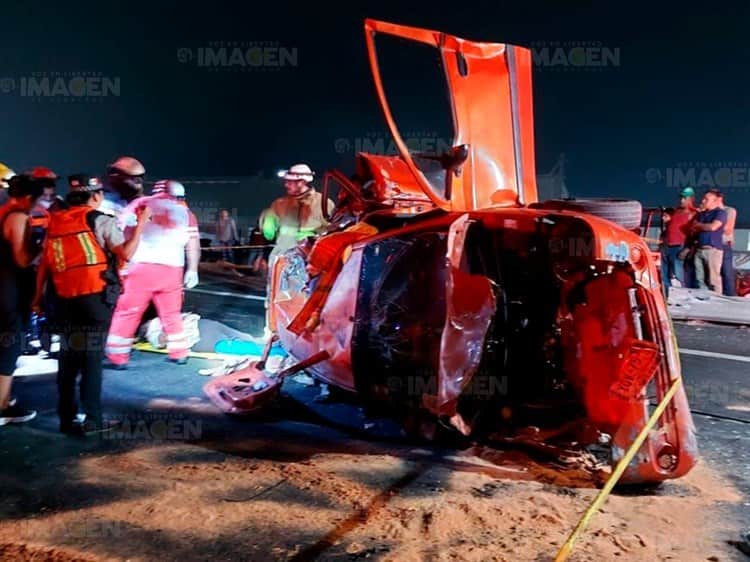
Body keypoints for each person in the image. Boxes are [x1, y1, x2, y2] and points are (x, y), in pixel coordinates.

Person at [33, 176, 150, 435]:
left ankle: (67, 419)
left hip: (63, 300)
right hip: (95, 300)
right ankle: (93, 419)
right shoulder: (101, 220)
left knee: (68, 360)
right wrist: (140, 225)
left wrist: (37, 299)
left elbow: (44, 265)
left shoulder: (56, 223)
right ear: (95, 196)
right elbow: (125, 253)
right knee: (92, 360)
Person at [105, 180, 200, 368]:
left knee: (128, 312)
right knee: (171, 314)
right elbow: (193, 244)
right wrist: (193, 269)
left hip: (142, 268)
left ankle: (118, 356)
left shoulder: (140, 204)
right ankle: (179, 352)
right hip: (173, 269)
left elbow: (124, 232)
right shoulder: (186, 213)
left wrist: (121, 266)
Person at [0, 174, 44, 425]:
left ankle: (4, 398)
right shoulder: (17, 217)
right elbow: (22, 260)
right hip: (9, 291)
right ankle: (2, 407)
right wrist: (42, 247)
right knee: (9, 346)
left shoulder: (3, 210)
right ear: (28, 197)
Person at [661, 186, 696, 297]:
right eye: (681, 198)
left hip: (679, 247)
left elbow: (694, 234)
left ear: (691, 199)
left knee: (678, 275)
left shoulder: (693, 214)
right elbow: (670, 228)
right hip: (667, 246)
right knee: (664, 275)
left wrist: (687, 248)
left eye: (684, 198)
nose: (681, 200)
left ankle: (680, 298)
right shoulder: (676, 212)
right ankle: (667, 298)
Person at [692, 189, 727, 294]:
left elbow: (713, 227)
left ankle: (717, 301)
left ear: (715, 201)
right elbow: (693, 226)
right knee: (699, 278)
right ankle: (703, 299)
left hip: (713, 249)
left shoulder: (720, 213)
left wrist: (700, 226)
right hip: (699, 248)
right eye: (703, 198)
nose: (703, 201)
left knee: (713, 279)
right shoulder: (701, 214)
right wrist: (702, 226)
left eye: (706, 199)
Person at [718, 192, 737, 296]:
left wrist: (713, 225)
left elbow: (727, 229)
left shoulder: (729, 210)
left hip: (724, 244)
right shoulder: (707, 212)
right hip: (710, 246)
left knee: (726, 272)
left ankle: (730, 296)